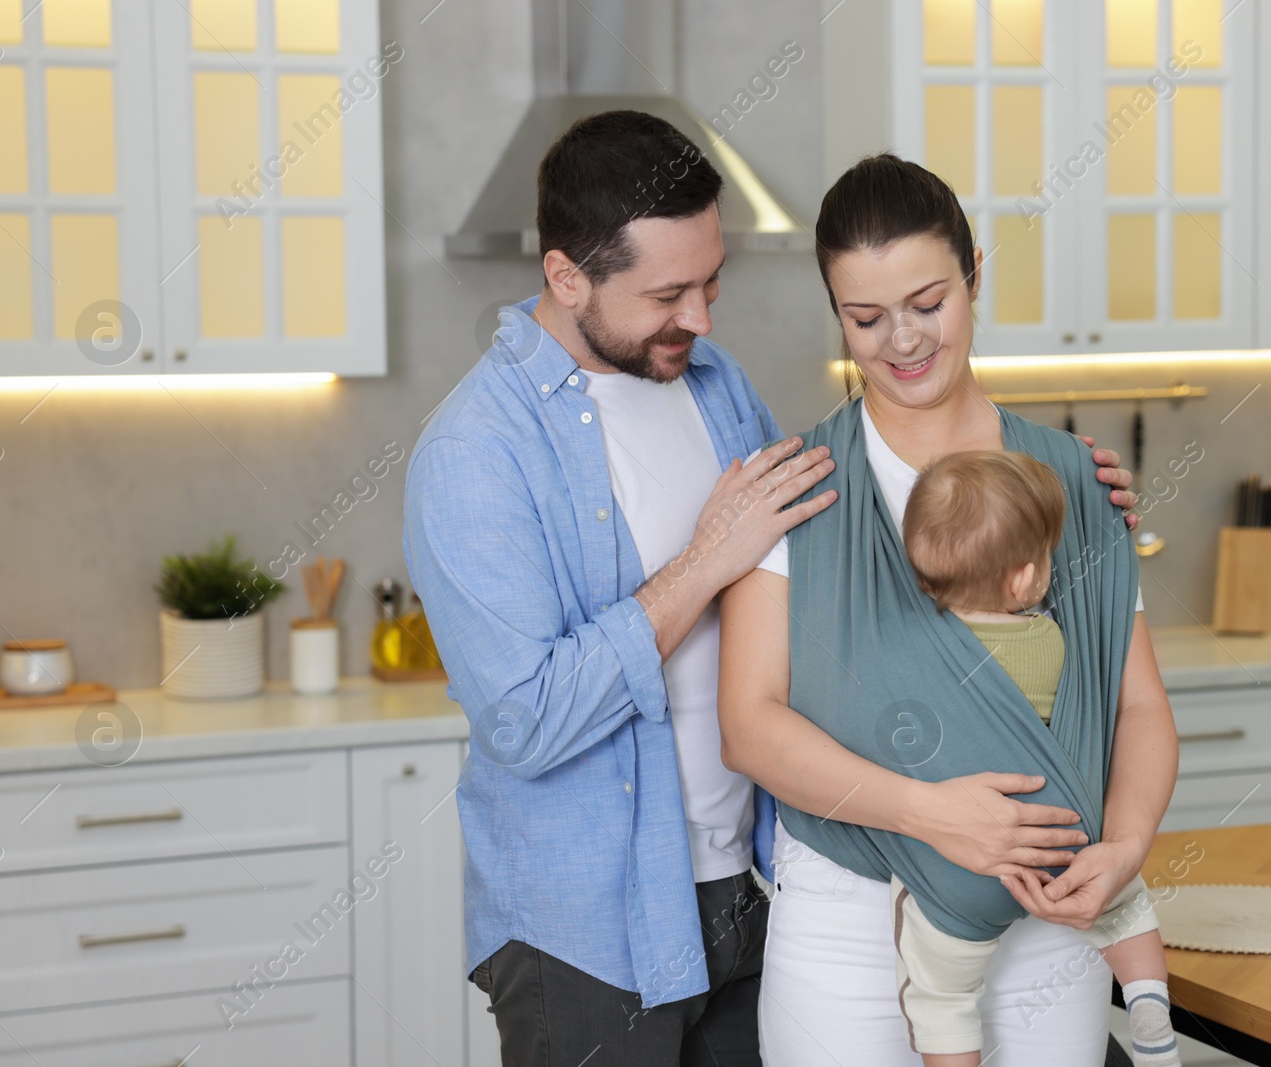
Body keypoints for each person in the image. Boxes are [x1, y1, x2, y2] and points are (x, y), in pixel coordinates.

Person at [405, 110, 1139, 1065]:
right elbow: (526, 720)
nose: (702, 319)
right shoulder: (475, 451)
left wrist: (1042, 493)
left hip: (745, 883)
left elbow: (837, 567)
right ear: (566, 277)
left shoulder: (708, 383)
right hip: (586, 931)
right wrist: (705, 560)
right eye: (671, 292)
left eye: (713, 283)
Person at [719, 153, 1178, 1067]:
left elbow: (1139, 708)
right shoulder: (795, 491)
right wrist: (930, 813)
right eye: (865, 316)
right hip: (849, 921)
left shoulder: (1073, 486)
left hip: (1052, 910)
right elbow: (750, 726)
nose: (902, 340)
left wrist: (1123, 850)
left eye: (928, 302)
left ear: (974, 274)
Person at [890, 449, 1177, 1067]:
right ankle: (1148, 1000)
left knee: (941, 994)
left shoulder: (914, 653)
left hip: (962, 870)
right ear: (1022, 582)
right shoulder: (1051, 639)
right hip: (1064, 837)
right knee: (1125, 901)